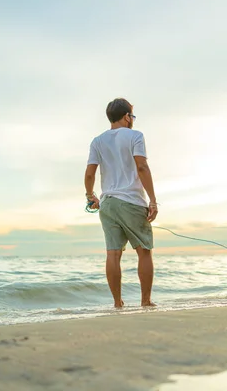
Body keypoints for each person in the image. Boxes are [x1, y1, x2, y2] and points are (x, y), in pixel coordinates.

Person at [84, 98, 158, 308]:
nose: (132, 120)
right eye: (132, 116)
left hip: (107, 203)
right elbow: (142, 167)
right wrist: (152, 200)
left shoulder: (97, 141)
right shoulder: (135, 136)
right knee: (143, 250)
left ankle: (118, 303)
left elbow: (90, 173)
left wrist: (91, 196)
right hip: (131, 201)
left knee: (113, 253)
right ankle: (145, 301)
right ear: (127, 116)